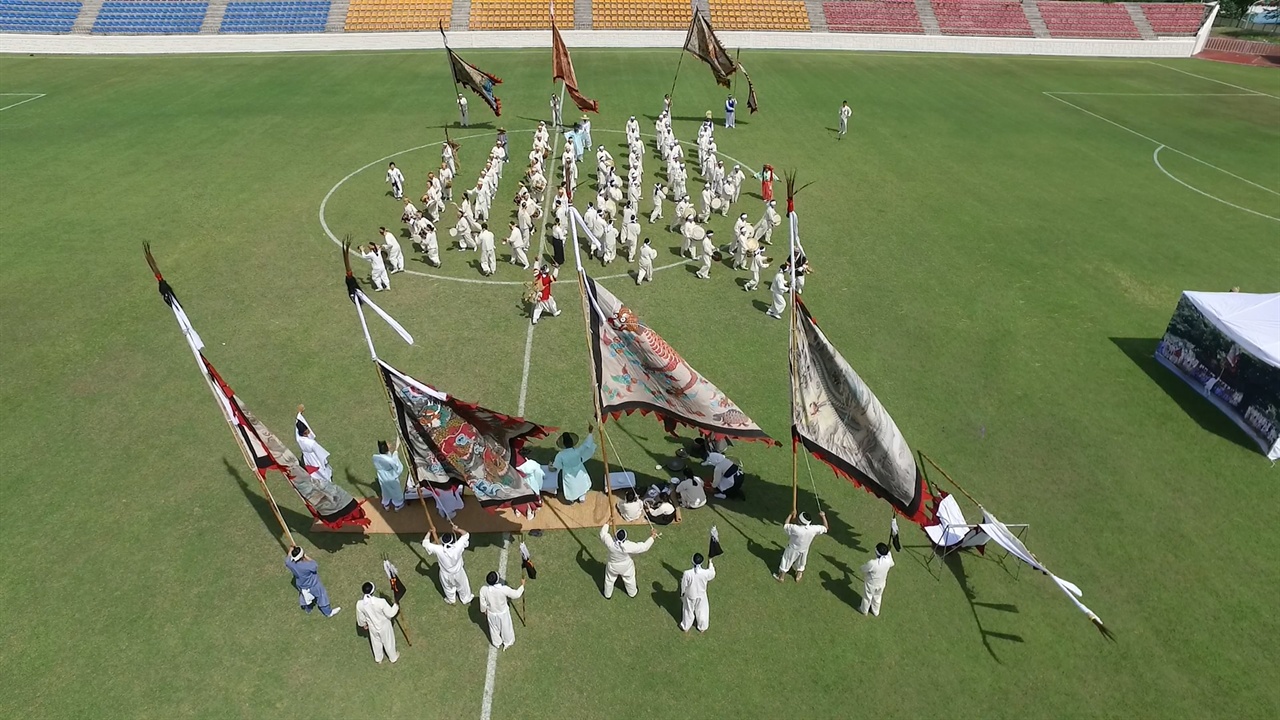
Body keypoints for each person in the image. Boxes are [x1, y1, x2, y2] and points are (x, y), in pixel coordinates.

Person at [599, 523, 657, 599]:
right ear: (625, 538)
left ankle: (607, 594)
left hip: (612, 566)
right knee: (629, 579)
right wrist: (652, 537)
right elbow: (644, 547)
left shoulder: (610, 543)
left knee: (609, 579)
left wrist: (607, 523)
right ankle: (632, 593)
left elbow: (603, 534)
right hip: (626, 567)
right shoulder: (628, 546)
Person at [423, 525, 474, 605]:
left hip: (445, 574)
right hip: (458, 573)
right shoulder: (457, 546)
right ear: (452, 540)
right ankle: (466, 599)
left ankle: (451, 600)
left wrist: (430, 532)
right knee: (463, 586)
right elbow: (466, 534)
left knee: (448, 588)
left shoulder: (439, 549)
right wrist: (457, 529)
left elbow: (425, 543)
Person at [284, 546, 340, 617]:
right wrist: (306, 556)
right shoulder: (307, 565)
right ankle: (328, 612)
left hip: (301, 585)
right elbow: (315, 565)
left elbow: (287, 560)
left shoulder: (291, 564)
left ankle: (308, 609)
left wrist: (291, 549)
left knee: (304, 596)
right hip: (313, 585)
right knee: (322, 596)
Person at [774, 511, 829, 582]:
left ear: (799, 520)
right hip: (804, 549)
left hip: (793, 549)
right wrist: (823, 516)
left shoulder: (795, 528)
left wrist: (790, 514)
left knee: (786, 561)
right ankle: (799, 575)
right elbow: (826, 528)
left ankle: (781, 577)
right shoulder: (813, 529)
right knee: (801, 563)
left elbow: (786, 525)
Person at [479, 571, 525, 651]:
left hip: (491, 613)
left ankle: (496, 643)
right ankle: (508, 641)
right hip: (503, 613)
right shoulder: (503, 589)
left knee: (493, 629)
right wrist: (522, 585)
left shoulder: (483, 590)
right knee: (506, 628)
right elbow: (516, 594)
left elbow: (482, 603)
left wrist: (484, 610)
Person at [355, 582, 400, 664]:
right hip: (384, 626)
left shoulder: (360, 604)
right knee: (388, 641)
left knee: (376, 642)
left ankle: (378, 658)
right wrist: (396, 606)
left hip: (372, 627)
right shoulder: (381, 602)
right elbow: (390, 613)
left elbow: (360, 617)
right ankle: (393, 657)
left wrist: (363, 624)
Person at [552, 427, 596, 503]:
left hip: (568, 474)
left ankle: (572, 499)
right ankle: (582, 497)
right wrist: (590, 433)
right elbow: (587, 444)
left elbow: (556, 467)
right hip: (580, 471)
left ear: (563, 444)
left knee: (571, 486)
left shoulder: (560, 455)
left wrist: (550, 466)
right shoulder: (577, 451)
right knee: (581, 482)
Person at [679, 553, 716, 633]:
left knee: (688, 610)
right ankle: (702, 627)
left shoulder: (687, 573)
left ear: (692, 561)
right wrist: (710, 562)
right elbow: (712, 574)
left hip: (690, 595)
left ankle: (686, 626)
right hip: (701, 595)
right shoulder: (705, 573)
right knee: (702, 610)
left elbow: (683, 585)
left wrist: (682, 593)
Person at [858, 543, 895, 616]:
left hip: (871, 584)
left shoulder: (873, 563)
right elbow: (892, 563)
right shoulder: (888, 560)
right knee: (877, 597)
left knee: (867, 597)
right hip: (882, 583)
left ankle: (864, 610)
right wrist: (888, 551)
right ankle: (875, 611)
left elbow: (863, 569)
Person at [295, 417, 334, 482]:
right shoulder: (311, 443)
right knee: (323, 472)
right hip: (316, 459)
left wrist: (299, 415)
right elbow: (320, 453)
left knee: (315, 473)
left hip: (308, 459)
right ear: (305, 432)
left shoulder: (299, 439)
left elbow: (296, 429)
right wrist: (325, 462)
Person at [372, 439, 405, 512]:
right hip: (391, 476)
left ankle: (386, 504)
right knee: (395, 490)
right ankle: (397, 505)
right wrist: (396, 450)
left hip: (382, 476)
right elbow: (397, 467)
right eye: (388, 444)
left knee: (385, 490)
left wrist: (396, 449)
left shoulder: (375, 457)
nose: (389, 444)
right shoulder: (389, 460)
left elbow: (388, 458)